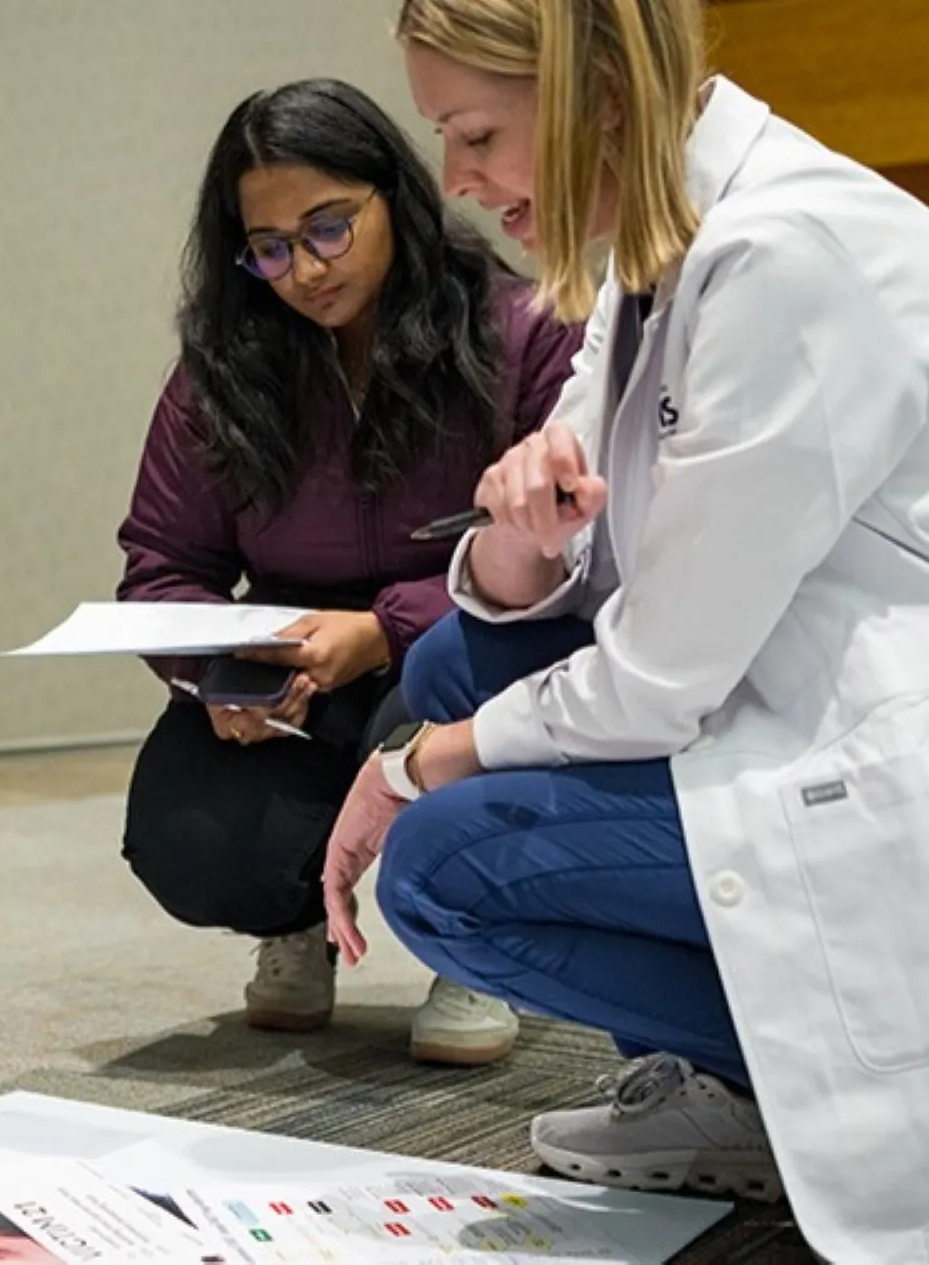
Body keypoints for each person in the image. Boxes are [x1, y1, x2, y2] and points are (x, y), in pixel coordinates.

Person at [312, 1, 929, 1261]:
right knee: (460, 662)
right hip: (844, 687)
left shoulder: (789, 254)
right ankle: (756, 1091)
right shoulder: (652, 252)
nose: (455, 178)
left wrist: (409, 763)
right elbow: (565, 566)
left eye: (478, 131)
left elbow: (658, 673)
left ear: (601, 94)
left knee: (444, 863)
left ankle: (908, 1114)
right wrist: (516, 535)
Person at [115, 78, 581, 1064]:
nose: (303, 269)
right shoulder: (223, 370)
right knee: (188, 838)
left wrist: (385, 625)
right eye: (270, 247)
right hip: (293, 683)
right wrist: (215, 667)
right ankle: (296, 915)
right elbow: (160, 566)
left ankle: (474, 943)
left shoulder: (521, 331)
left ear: (395, 199)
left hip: (460, 662)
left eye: (328, 227)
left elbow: (569, 548)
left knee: (451, 676)